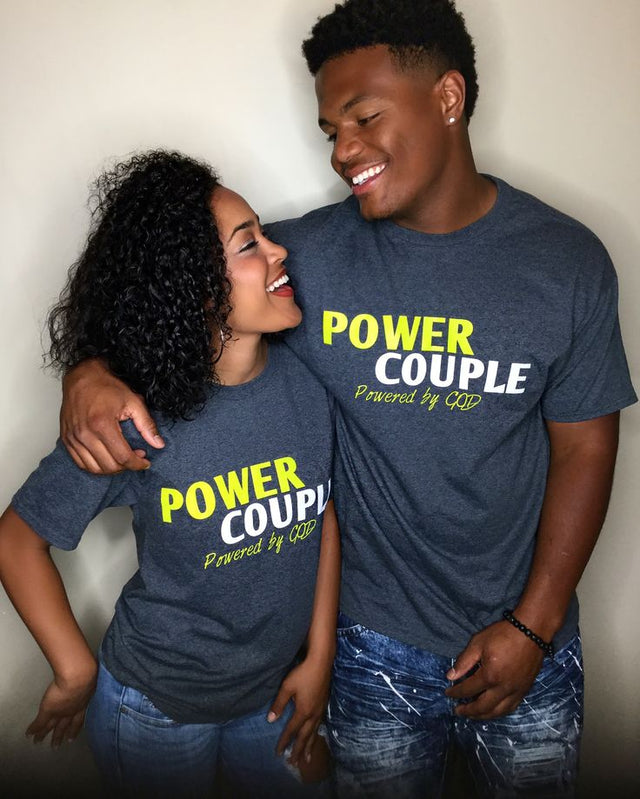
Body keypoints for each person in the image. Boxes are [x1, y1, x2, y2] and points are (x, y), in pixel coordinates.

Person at [57, 1, 637, 797]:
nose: (343, 151)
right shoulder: (304, 258)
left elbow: (587, 447)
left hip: (528, 637)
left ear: (448, 97)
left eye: (364, 118)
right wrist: (88, 369)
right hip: (369, 649)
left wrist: (533, 626)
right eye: (331, 130)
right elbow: (171, 290)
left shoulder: (567, 261)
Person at [0, 150, 339, 799]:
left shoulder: (307, 385)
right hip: (152, 711)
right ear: (197, 288)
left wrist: (319, 657)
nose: (279, 252)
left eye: (265, 235)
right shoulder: (136, 419)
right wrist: (73, 670)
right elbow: (17, 540)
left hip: (273, 695)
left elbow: (322, 514)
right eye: (250, 244)